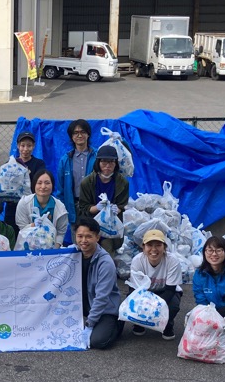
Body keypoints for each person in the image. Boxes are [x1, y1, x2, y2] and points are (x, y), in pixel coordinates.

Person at [73, 217, 123, 350]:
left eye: (89, 236)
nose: (83, 240)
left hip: (105, 309)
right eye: (80, 236)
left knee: (98, 341)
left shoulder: (105, 263)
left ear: (97, 237)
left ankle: (117, 324)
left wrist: (89, 324)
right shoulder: (72, 255)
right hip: (84, 307)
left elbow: (102, 297)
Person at [129, 229, 184, 341]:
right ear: (143, 247)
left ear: (164, 247)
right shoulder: (137, 261)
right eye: (149, 245)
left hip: (165, 291)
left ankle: (167, 324)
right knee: (132, 301)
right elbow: (135, 290)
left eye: (158, 245)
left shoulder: (172, 261)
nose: (154, 249)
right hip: (145, 292)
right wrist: (144, 307)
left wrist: (154, 307)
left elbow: (170, 290)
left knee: (173, 305)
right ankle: (139, 323)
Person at [77, 144, 129, 255]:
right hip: (90, 226)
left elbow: (122, 205)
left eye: (111, 162)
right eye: (104, 162)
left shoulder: (122, 183)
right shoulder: (87, 182)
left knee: (106, 253)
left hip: (110, 227)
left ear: (116, 164)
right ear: (98, 163)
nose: (107, 166)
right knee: (87, 252)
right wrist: (97, 208)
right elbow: (83, 207)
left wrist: (117, 209)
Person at [56, 119, 96, 242]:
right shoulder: (65, 160)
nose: (79, 135)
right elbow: (61, 188)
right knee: (79, 241)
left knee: (93, 239)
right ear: (71, 137)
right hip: (74, 206)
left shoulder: (97, 156)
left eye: (82, 132)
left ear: (88, 134)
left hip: (94, 205)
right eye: (75, 133)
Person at [14, 168, 69, 248]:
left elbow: (60, 233)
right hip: (27, 247)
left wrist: (54, 250)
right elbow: (22, 228)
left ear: (53, 185)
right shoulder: (24, 203)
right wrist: (33, 226)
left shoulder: (60, 208)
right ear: (34, 185)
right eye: (39, 183)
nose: (43, 187)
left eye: (47, 183)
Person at [4, 130, 46, 234]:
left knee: (30, 235)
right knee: (11, 234)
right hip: (12, 207)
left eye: (29, 146)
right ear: (18, 146)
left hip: (30, 206)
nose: (25, 149)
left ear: (34, 146)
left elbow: (39, 183)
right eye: (23, 145)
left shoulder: (39, 164)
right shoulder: (10, 164)